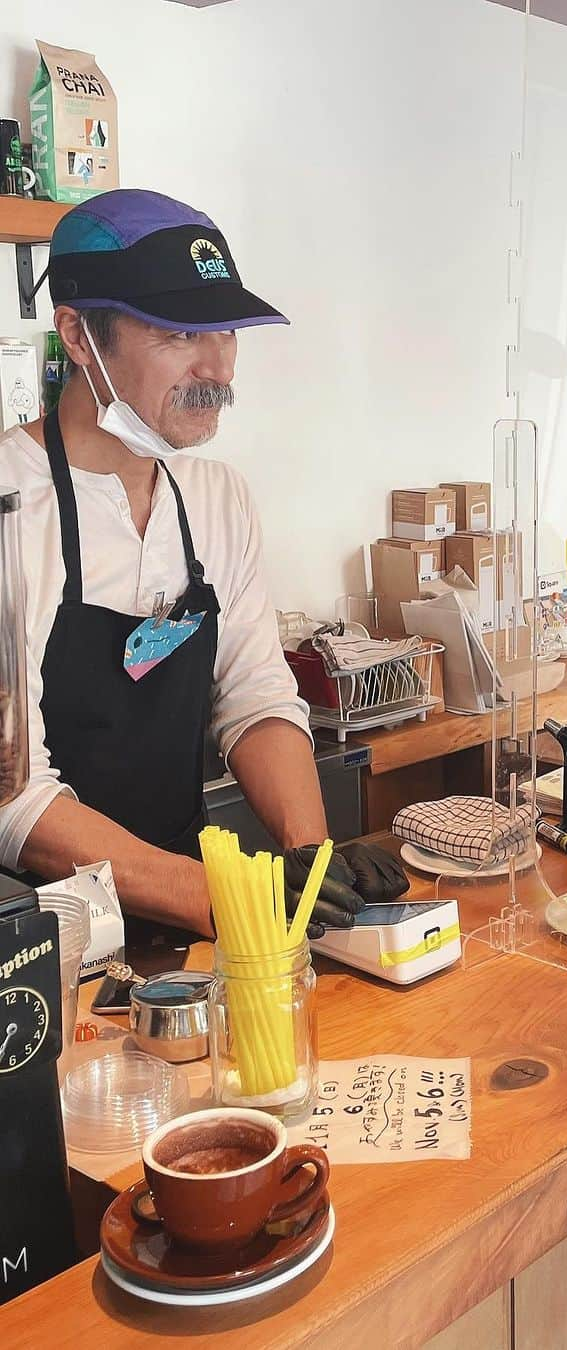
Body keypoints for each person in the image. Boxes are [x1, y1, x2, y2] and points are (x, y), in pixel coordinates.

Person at [0, 189, 400, 938]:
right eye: (182, 332)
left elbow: (254, 694)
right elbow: (12, 795)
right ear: (80, 337)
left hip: (188, 917)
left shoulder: (217, 498)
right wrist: (228, 899)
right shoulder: (9, 510)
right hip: (39, 939)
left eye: (227, 330)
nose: (217, 366)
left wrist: (309, 859)